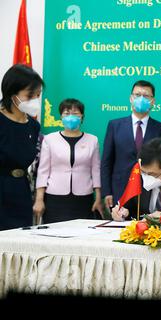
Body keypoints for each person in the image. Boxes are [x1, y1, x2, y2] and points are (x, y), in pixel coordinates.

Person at [101, 80, 161, 211]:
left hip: (150, 190)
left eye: (146, 96)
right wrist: (107, 191)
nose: (141, 99)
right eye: (137, 95)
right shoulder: (115, 125)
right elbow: (106, 161)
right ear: (130, 98)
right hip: (120, 189)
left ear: (153, 101)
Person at [33, 99, 103, 223]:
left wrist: (98, 198)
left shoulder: (92, 140)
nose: (71, 117)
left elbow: (96, 170)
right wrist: (39, 199)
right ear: (61, 116)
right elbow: (43, 171)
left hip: (83, 197)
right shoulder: (50, 139)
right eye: (66, 113)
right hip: (55, 197)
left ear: (82, 117)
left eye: (75, 113)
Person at [0, 64, 43, 230]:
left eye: (38, 95)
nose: (35, 100)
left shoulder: (33, 126)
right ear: (12, 94)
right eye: (30, 95)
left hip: (21, 192)